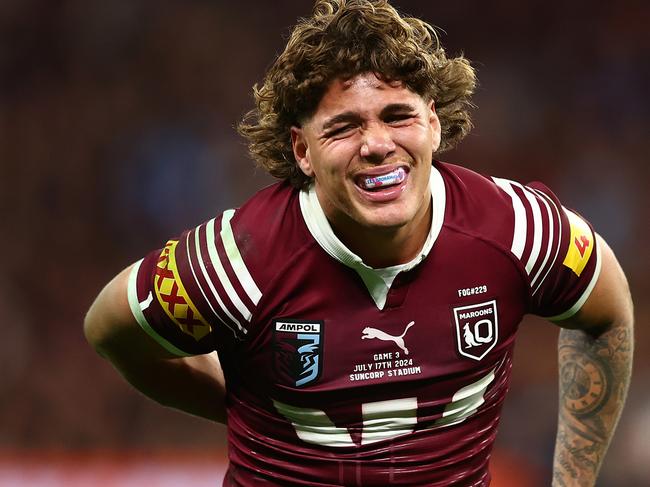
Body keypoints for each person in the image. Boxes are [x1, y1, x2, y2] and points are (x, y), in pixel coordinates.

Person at [84, 1, 634, 485]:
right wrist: (237, 403)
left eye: (399, 116)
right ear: (302, 150)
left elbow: (606, 314)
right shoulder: (237, 263)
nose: (377, 145)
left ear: (434, 124)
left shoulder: (519, 230)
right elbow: (111, 329)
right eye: (343, 127)